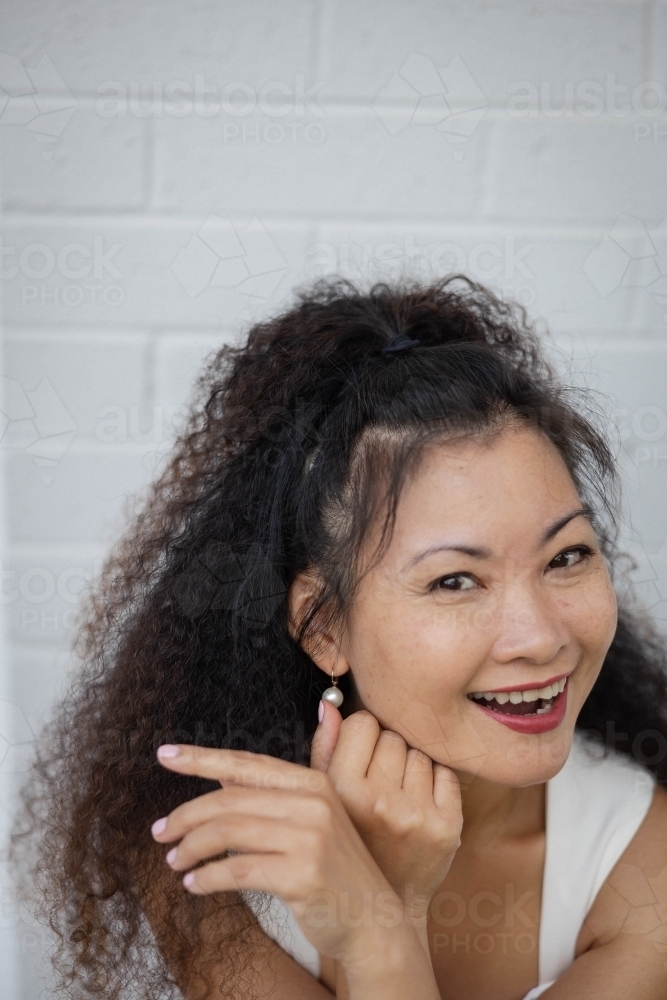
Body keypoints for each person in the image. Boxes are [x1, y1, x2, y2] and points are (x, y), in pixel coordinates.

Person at [9, 277, 667, 1000]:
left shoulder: (646, 862)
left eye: (565, 557)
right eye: (454, 581)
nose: (540, 639)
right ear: (323, 626)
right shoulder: (205, 852)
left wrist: (382, 922)